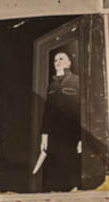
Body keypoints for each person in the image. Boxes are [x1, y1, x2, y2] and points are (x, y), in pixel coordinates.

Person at [36, 50, 81, 192]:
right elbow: (47, 112)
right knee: (55, 169)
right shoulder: (52, 86)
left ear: (69, 63)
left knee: (71, 167)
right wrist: (44, 136)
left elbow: (82, 110)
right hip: (54, 135)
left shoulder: (78, 81)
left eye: (61, 59)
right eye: (55, 60)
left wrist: (82, 137)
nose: (57, 62)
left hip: (72, 134)